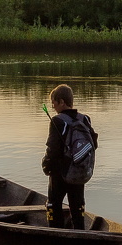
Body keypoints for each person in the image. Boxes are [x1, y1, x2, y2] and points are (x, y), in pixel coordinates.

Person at [41, 83, 97, 230]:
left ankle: (55, 234)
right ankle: (80, 234)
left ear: (61, 102)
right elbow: (93, 144)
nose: (53, 106)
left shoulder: (57, 121)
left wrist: (46, 166)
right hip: (79, 170)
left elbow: (53, 150)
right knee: (78, 204)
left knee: (53, 204)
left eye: (54, 102)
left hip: (60, 172)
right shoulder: (84, 119)